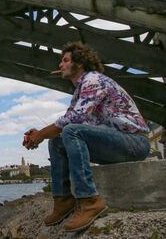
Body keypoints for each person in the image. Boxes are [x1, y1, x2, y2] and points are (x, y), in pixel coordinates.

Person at [22, 42, 150, 232]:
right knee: (57, 140)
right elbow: (66, 122)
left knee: (71, 130)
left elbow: (74, 120)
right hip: (115, 142)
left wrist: (40, 135)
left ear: (79, 64)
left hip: (134, 143)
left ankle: (90, 201)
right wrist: (40, 134)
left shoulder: (93, 80)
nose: (60, 65)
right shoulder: (80, 90)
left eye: (65, 60)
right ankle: (63, 199)